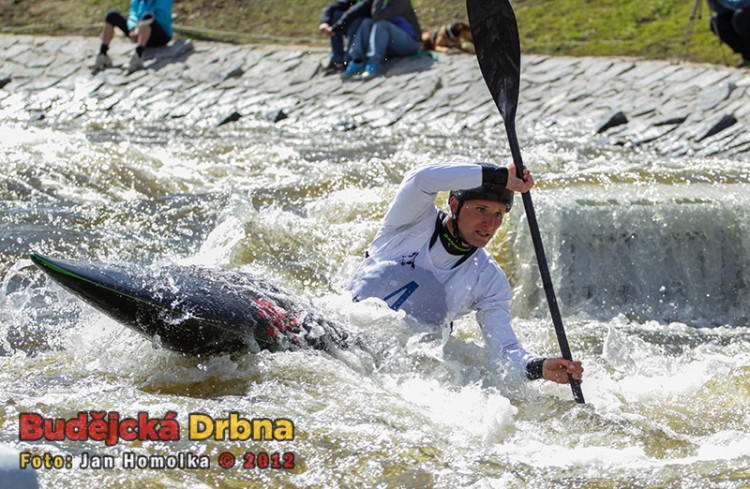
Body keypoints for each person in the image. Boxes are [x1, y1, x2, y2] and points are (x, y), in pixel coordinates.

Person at [348, 161, 584, 386]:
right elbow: (421, 178)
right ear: (453, 205)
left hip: (399, 367)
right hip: (345, 333)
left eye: (499, 214)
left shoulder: (489, 280)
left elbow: (504, 351)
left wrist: (538, 367)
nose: (490, 224)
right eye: (481, 210)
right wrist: (500, 176)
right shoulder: (410, 221)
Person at [337, 0, 422, 79]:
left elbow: (377, 16)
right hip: (393, 45)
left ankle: (374, 62)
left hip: (411, 44)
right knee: (366, 22)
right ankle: (357, 60)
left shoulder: (401, 2)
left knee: (381, 24)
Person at [93, 0, 174, 73]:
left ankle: (138, 55)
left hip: (159, 35)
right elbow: (133, 13)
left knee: (147, 17)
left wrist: (140, 27)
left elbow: (162, 16)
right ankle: (102, 54)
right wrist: (132, 27)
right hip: (140, 30)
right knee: (111, 16)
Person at [319, 0, 364, 75]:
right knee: (335, 13)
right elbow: (331, 7)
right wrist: (324, 22)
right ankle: (337, 60)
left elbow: (354, 11)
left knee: (357, 20)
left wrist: (334, 28)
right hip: (349, 28)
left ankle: (349, 59)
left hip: (366, 32)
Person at [708, 0, 750, 67]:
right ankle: (747, 55)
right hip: (738, 8)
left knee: (740, 18)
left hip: (744, 8)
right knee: (718, 23)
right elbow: (719, 10)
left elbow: (740, 4)